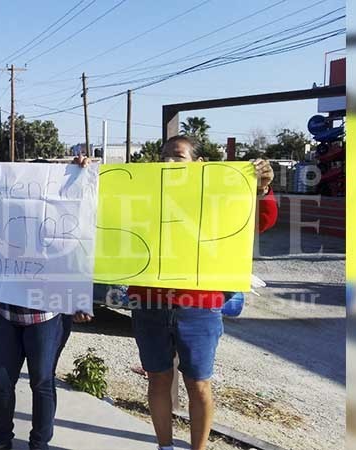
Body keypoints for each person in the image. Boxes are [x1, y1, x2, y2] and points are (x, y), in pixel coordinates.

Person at [126, 135, 277, 450]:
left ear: (199, 164)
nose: (168, 162)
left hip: (199, 304)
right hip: (149, 301)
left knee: (198, 383)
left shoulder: (216, 198)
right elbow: (104, 216)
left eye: (177, 156)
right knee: (157, 378)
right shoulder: (142, 195)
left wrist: (261, 189)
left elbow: (260, 221)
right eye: (163, 155)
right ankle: (164, 445)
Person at [0, 158, 93, 450]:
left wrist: (81, 172)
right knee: (1, 383)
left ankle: (39, 444)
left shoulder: (59, 226)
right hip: (8, 315)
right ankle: (1, 440)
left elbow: (80, 246)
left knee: (41, 383)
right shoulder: (1, 221)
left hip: (46, 318)